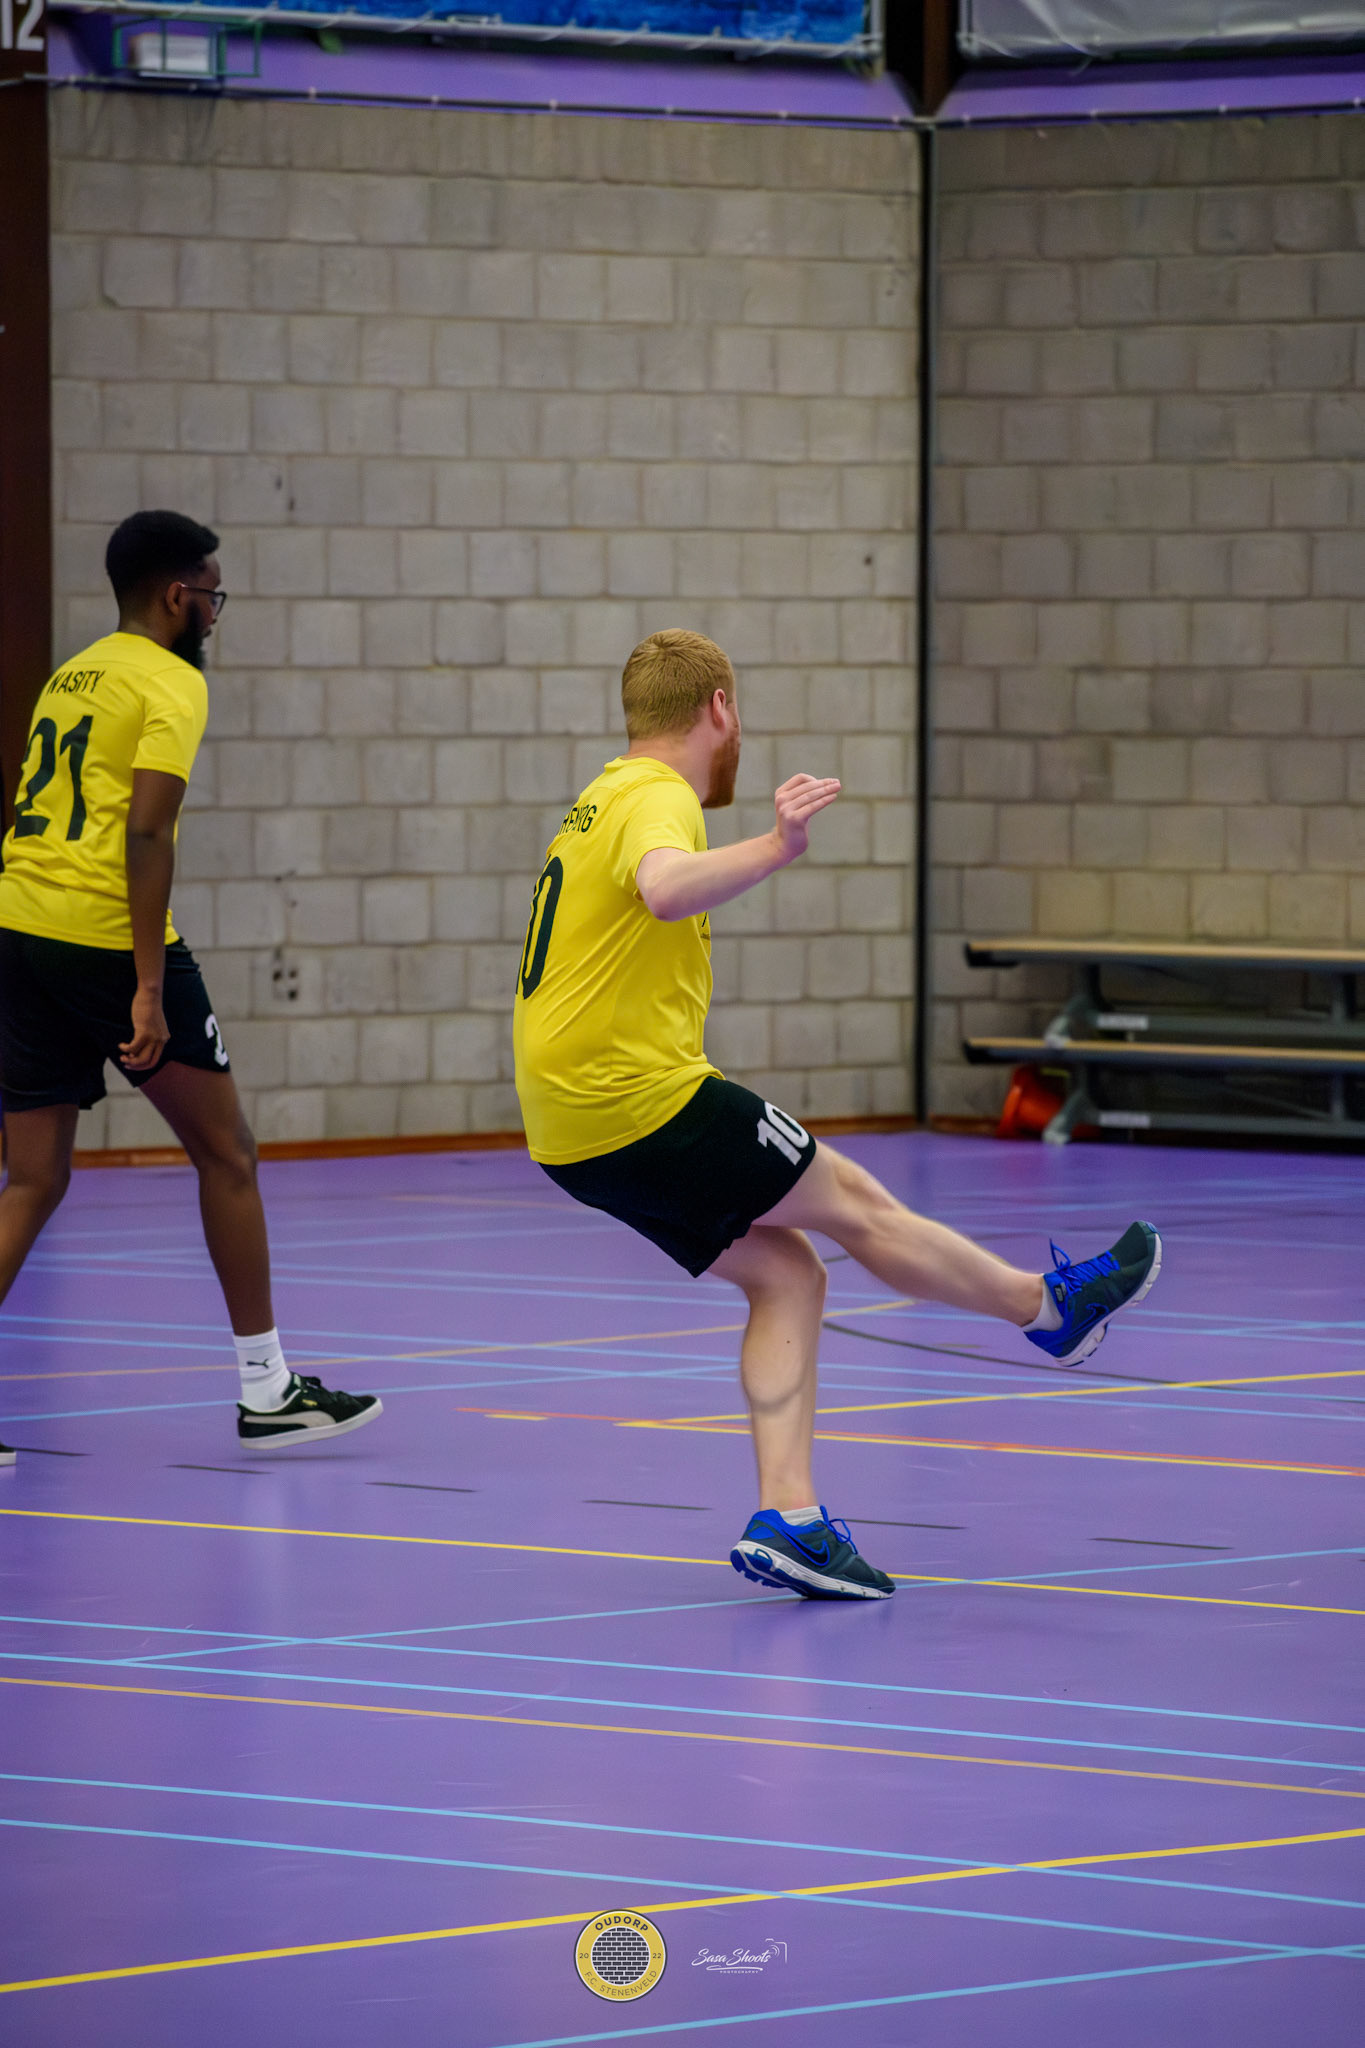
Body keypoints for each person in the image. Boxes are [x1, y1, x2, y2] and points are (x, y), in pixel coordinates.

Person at [513, 628, 1161, 1601]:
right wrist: (777, 844)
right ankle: (1050, 1307)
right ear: (720, 707)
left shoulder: (596, 800)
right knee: (851, 1199)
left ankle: (793, 1519)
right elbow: (663, 887)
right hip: (636, 1095)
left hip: (566, 1129)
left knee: (787, 1272)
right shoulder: (657, 795)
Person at [0, 510, 379, 1467]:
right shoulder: (171, 680)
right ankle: (269, 1390)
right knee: (227, 1152)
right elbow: (145, 832)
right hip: (100, 935)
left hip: (18, 925)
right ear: (178, 596)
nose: (214, 612)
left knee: (33, 1177)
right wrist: (145, 985)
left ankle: (270, 1388)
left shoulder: (71, 675)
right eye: (212, 595)